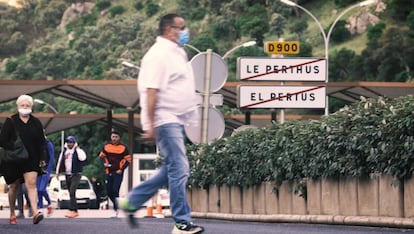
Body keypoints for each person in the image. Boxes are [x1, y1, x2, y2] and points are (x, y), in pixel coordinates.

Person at [120, 13, 204, 234]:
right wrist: (150, 124)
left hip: (176, 119)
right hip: (165, 119)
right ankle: (181, 223)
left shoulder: (176, 52)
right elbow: (150, 91)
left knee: (170, 169)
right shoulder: (158, 55)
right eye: (181, 27)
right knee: (180, 168)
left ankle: (131, 202)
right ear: (170, 30)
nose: (185, 31)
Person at [0, 94, 47, 225]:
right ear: (18, 106)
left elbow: (41, 142)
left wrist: (42, 157)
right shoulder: (11, 121)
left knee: (31, 184)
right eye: (23, 105)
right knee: (14, 186)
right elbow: (2, 140)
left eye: (27, 105)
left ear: (31, 107)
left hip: (31, 158)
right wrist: (13, 146)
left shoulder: (36, 122)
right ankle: (12, 213)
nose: (25, 107)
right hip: (14, 159)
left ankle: (35, 212)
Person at [98, 130, 131, 218]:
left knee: (115, 190)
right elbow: (101, 157)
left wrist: (122, 169)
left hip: (118, 172)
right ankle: (121, 204)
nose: (114, 139)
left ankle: (116, 210)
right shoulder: (106, 146)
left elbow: (128, 160)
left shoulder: (124, 148)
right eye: (113, 137)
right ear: (111, 137)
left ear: (119, 138)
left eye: (116, 137)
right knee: (109, 192)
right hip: (109, 172)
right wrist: (103, 164)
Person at [55, 135, 87, 218]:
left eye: (71, 142)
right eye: (68, 142)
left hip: (76, 174)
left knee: (72, 191)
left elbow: (83, 158)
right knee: (71, 192)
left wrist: (77, 149)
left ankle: (73, 209)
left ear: (74, 143)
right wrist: (57, 172)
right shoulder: (64, 152)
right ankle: (74, 210)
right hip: (67, 174)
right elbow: (60, 161)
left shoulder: (78, 151)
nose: (69, 144)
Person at [37, 137, 55, 215]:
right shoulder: (35, 144)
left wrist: (48, 170)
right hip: (38, 169)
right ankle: (41, 208)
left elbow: (51, 158)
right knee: (38, 190)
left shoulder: (48, 144)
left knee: (42, 189)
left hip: (46, 169)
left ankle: (49, 203)